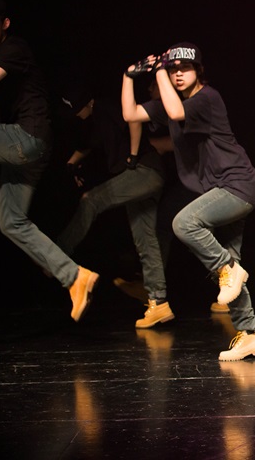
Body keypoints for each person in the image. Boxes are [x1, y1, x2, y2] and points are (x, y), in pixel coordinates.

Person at [121, 42, 255, 361]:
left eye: (184, 68)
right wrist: (128, 76)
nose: (178, 74)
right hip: (219, 190)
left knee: (184, 224)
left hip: (237, 185)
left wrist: (159, 69)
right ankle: (250, 334)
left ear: (198, 71)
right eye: (173, 70)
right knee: (228, 273)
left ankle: (229, 269)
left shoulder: (207, 98)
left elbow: (175, 112)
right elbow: (131, 114)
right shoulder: (173, 101)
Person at [0, 0, 99, 321]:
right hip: (24, 150)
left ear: (4, 24)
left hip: (27, 138)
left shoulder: (14, 48)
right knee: (11, 220)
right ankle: (75, 277)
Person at [55, 85, 169, 329]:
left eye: (77, 110)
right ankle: (159, 303)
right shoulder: (96, 120)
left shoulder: (106, 106)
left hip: (143, 171)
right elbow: (88, 145)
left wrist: (134, 155)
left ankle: (57, 253)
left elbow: (133, 119)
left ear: (88, 102)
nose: (77, 116)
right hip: (150, 176)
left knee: (91, 200)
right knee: (145, 239)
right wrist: (71, 164)